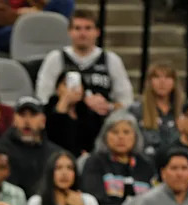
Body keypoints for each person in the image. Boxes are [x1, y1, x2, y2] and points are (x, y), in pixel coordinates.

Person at [35, 9, 133, 152]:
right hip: (64, 128)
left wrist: (108, 106)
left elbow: (127, 101)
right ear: (69, 32)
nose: (82, 33)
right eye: (77, 28)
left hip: (103, 129)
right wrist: (67, 100)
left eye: (88, 28)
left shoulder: (111, 60)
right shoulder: (55, 58)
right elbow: (42, 99)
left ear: (97, 32)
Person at [79, 112, 155, 205]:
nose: (121, 137)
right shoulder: (95, 162)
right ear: (105, 136)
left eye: (126, 132)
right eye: (114, 132)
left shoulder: (145, 165)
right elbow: (95, 202)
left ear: (136, 136)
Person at [0, 97, 63, 198]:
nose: (27, 121)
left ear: (43, 121)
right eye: (22, 115)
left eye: (33, 115)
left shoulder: (54, 153)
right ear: (14, 120)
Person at [128, 63, 182, 161]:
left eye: (167, 77)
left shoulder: (183, 112)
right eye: (157, 77)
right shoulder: (136, 110)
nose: (162, 82)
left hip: (175, 165)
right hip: (145, 163)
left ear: (174, 82)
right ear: (150, 82)